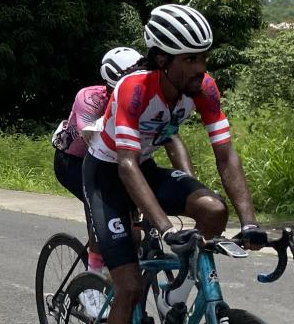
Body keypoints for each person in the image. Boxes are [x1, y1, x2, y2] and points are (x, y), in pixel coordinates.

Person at [83, 4, 265, 324]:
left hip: (143, 165)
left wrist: (249, 221)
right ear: (162, 60)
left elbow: (226, 156)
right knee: (128, 286)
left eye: (204, 57)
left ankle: (173, 297)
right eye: (190, 59)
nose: (201, 68)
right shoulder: (134, 88)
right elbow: (126, 165)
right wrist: (164, 227)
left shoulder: (204, 89)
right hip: (107, 173)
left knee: (214, 212)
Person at [52, 47, 194, 269]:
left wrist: (187, 185)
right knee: (107, 207)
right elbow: (93, 140)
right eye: (116, 90)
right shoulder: (88, 98)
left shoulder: (141, 93)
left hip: (122, 157)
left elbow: (168, 138)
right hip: (74, 160)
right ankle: (94, 275)